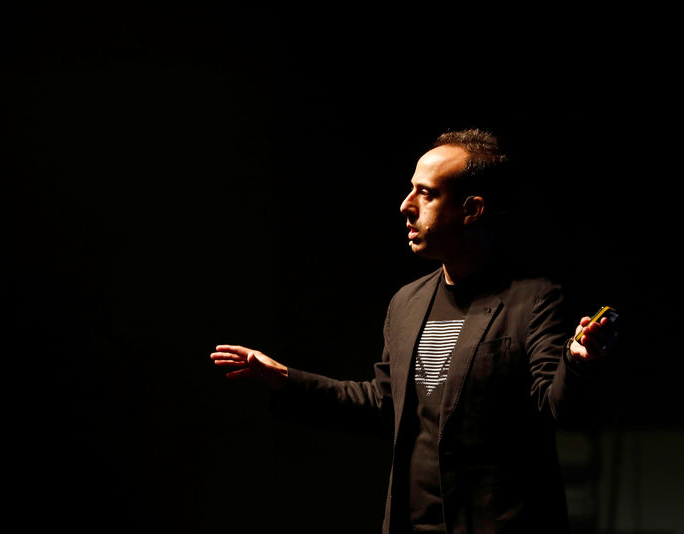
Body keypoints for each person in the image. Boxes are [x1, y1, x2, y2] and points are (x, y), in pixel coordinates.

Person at [210, 128, 617, 533]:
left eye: (426, 193)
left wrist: (578, 362)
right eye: (410, 190)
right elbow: (383, 404)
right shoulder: (407, 303)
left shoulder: (533, 300)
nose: (406, 206)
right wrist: (285, 379)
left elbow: (556, 408)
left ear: (472, 210)